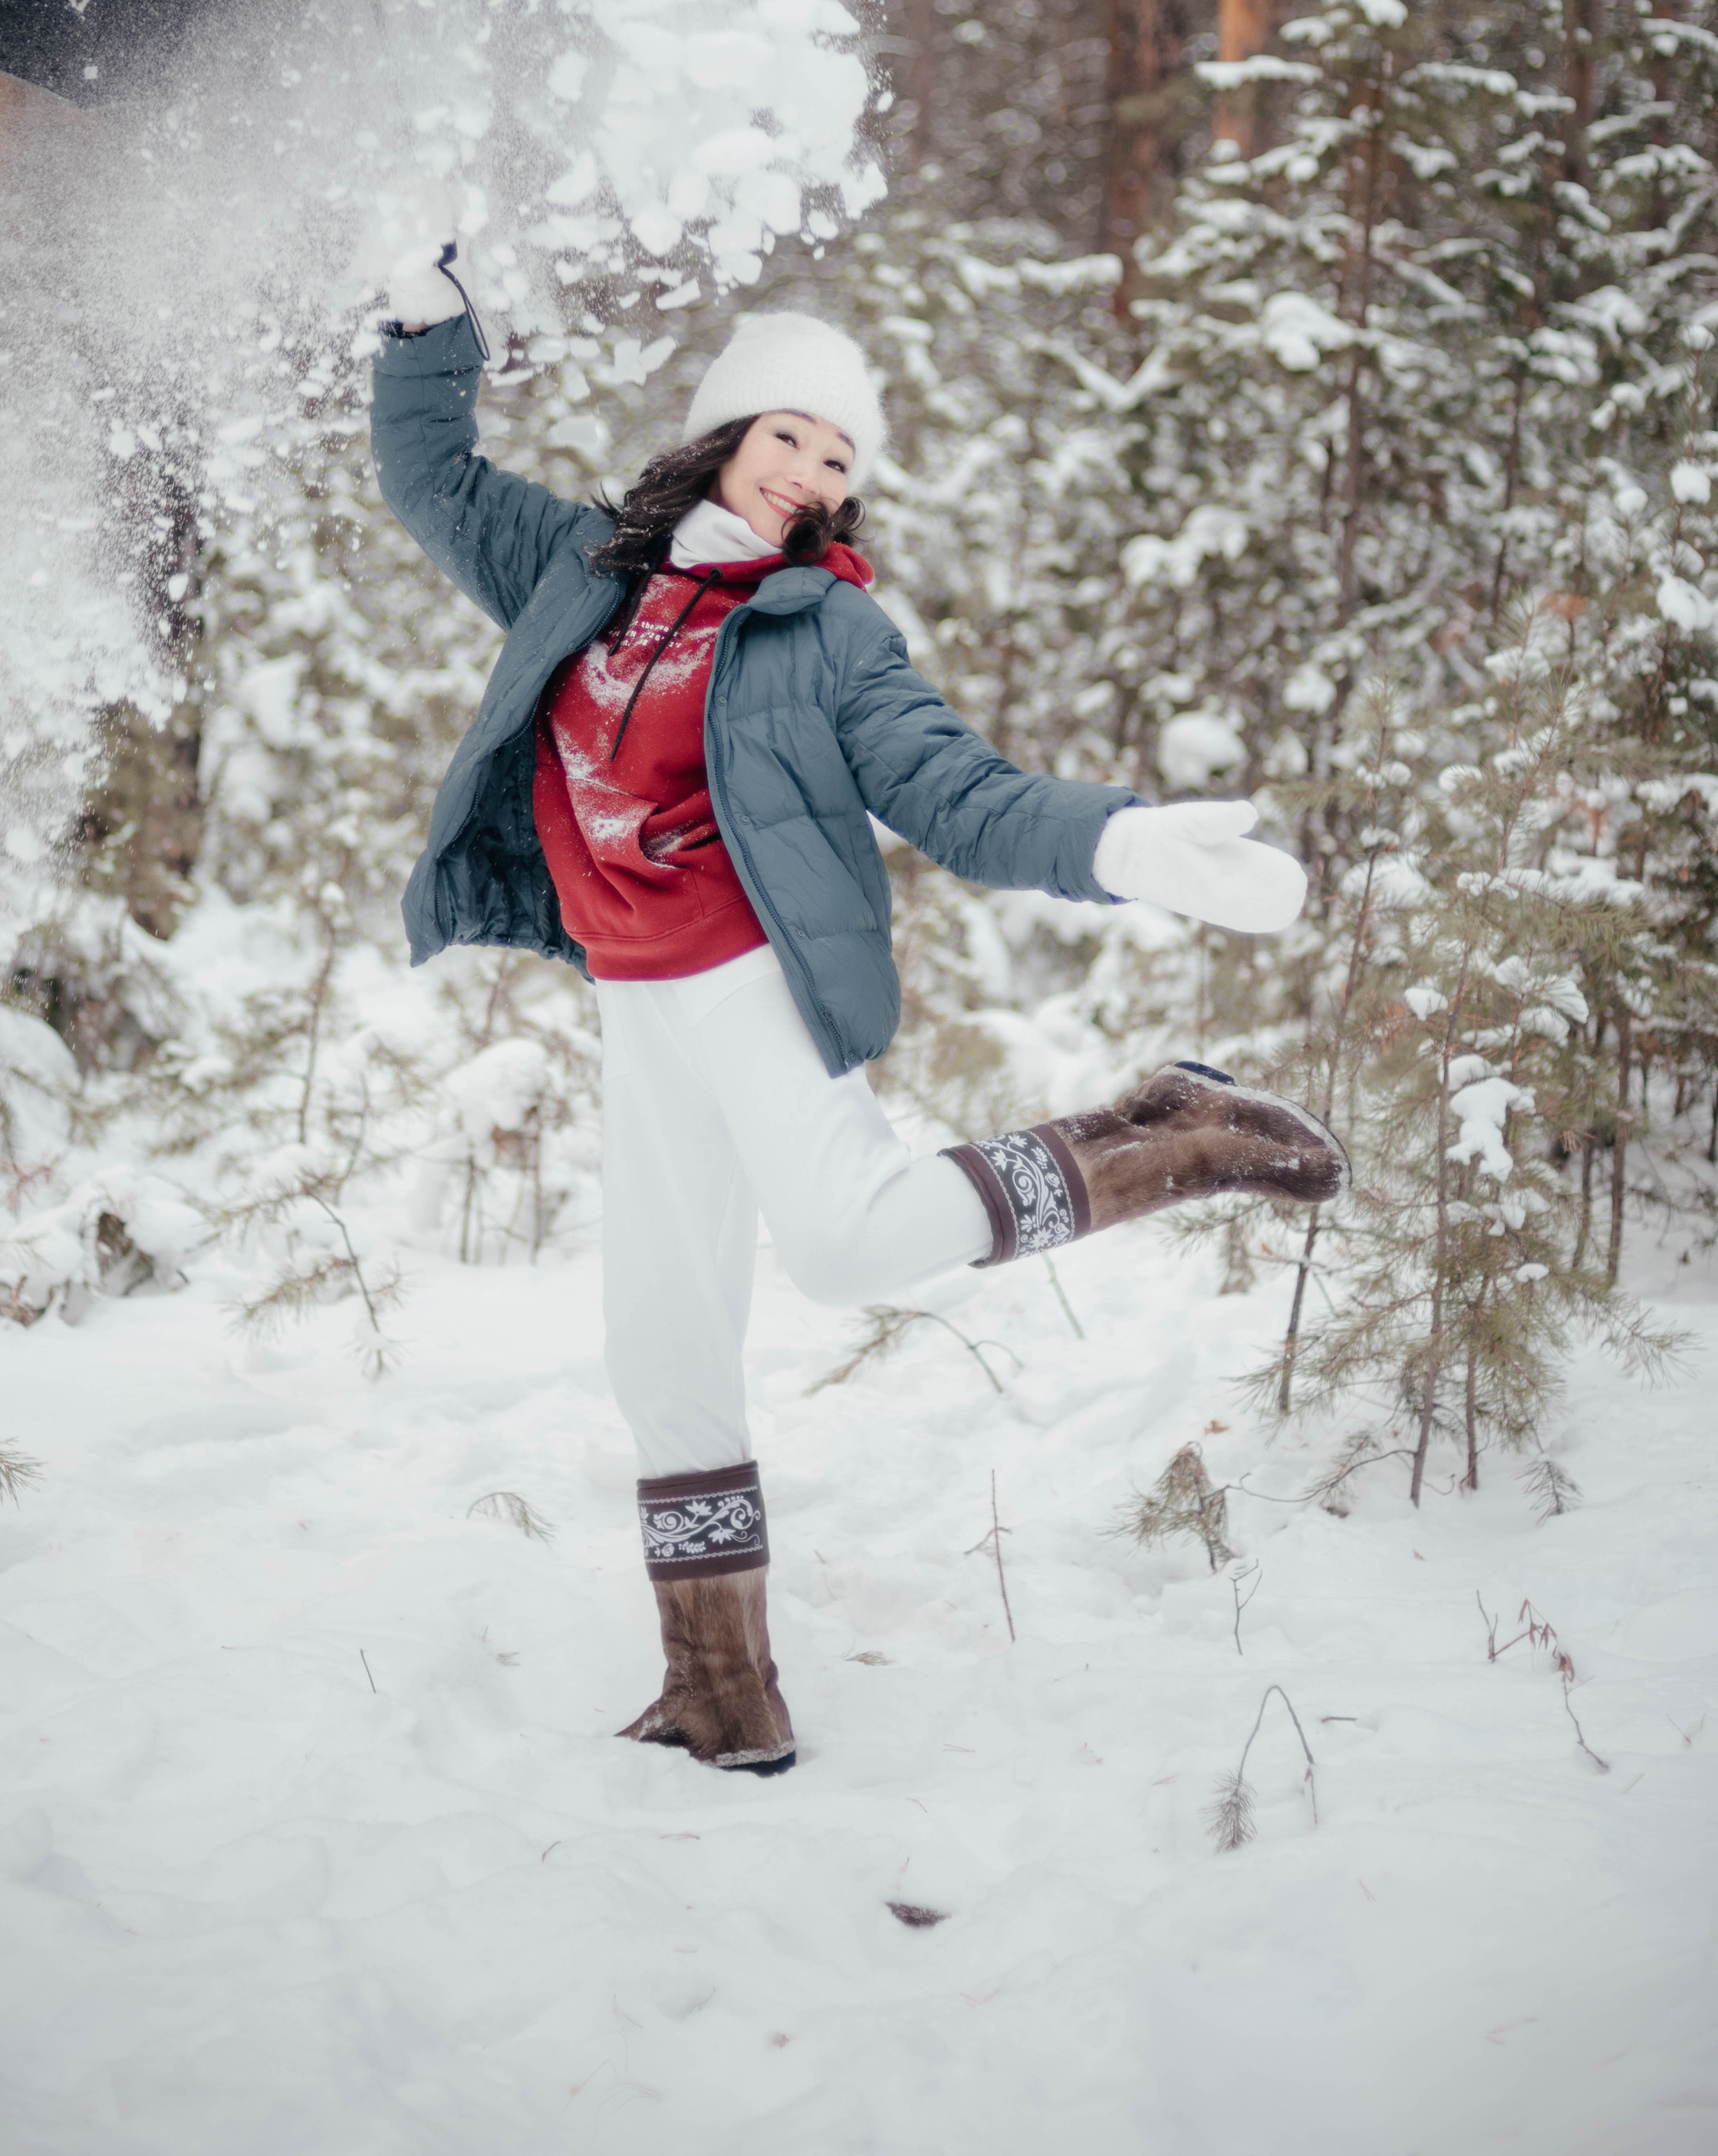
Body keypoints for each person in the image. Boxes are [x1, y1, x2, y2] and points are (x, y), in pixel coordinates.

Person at [371, 259, 1344, 1778]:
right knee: (661, 1339)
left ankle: (1170, 1129)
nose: (814, 474)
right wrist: (427, 328)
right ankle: (718, 1690)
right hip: (633, 999)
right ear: (722, 430)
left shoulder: (822, 631)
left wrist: (1119, 841)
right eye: (793, 435)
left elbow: (954, 795)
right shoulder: (575, 569)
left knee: (840, 1240)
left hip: (743, 973)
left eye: (840, 458)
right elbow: (425, 474)